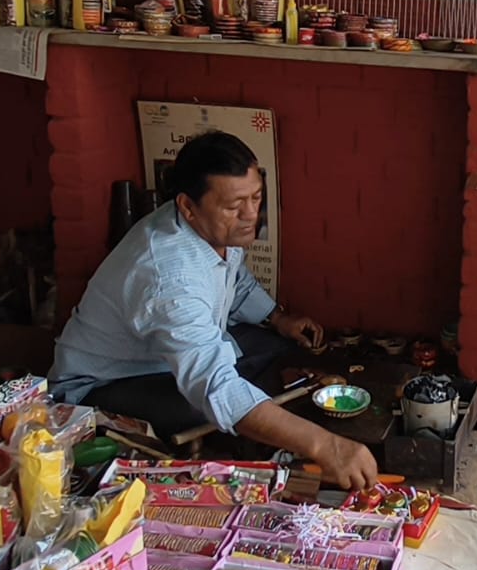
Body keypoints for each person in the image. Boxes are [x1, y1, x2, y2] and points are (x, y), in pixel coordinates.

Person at [50, 131, 379, 490]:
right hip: (105, 386)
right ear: (188, 206)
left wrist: (278, 318)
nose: (250, 215)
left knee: (279, 353)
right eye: (234, 205)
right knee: (215, 406)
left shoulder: (213, 227)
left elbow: (232, 279)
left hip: (167, 356)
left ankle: (263, 429)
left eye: (256, 197)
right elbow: (215, 386)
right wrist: (325, 446)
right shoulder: (169, 276)